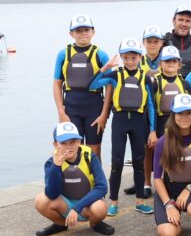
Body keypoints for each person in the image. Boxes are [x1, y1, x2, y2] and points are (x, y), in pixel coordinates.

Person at [89, 38, 156, 216]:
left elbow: (151, 105)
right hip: (119, 120)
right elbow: (93, 84)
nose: (129, 61)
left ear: (140, 57)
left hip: (138, 121)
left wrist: (153, 130)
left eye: (133, 57)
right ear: (122, 57)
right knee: (117, 162)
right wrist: (105, 67)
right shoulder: (115, 75)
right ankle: (114, 202)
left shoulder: (146, 78)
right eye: (125, 57)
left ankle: (140, 201)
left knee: (139, 162)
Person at [34, 122, 114, 236]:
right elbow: (52, 194)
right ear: (55, 144)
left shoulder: (89, 156)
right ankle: (61, 224)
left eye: (72, 142)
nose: (68, 147)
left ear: (79, 142)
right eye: (63, 143)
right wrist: (57, 166)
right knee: (40, 200)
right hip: (65, 204)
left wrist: (77, 208)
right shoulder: (51, 162)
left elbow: (102, 187)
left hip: (88, 205)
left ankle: (95, 223)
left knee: (100, 208)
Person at [153, 94, 191, 236]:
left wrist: (189, 189)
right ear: (173, 115)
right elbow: (157, 178)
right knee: (168, 235)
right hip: (168, 191)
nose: (184, 117)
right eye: (180, 113)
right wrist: (168, 205)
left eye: (189, 113)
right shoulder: (162, 142)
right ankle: (173, 221)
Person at [52, 14, 112, 158]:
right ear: (71, 33)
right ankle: (77, 178)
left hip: (94, 107)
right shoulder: (63, 55)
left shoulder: (101, 55)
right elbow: (57, 84)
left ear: (93, 32)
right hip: (72, 107)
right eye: (78, 30)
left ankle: (95, 179)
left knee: (94, 149)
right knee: (73, 148)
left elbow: (110, 86)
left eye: (86, 29)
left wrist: (104, 115)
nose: (83, 33)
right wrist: (61, 112)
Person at [124, 25, 165, 198]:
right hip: (144, 110)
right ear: (144, 42)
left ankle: (164, 181)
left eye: (156, 41)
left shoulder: (168, 59)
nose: (153, 44)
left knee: (165, 147)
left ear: (161, 42)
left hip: (163, 109)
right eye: (149, 41)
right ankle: (146, 183)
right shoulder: (138, 61)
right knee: (145, 149)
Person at [154, 46, 191, 138]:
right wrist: (152, 131)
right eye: (167, 60)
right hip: (160, 124)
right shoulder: (155, 83)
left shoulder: (185, 84)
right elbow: (151, 109)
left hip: (180, 124)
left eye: (174, 61)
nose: (171, 63)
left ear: (179, 64)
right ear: (160, 63)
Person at [163, 5, 191, 78]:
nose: (184, 24)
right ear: (173, 21)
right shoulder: (164, 42)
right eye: (181, 20)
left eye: (187, 21)